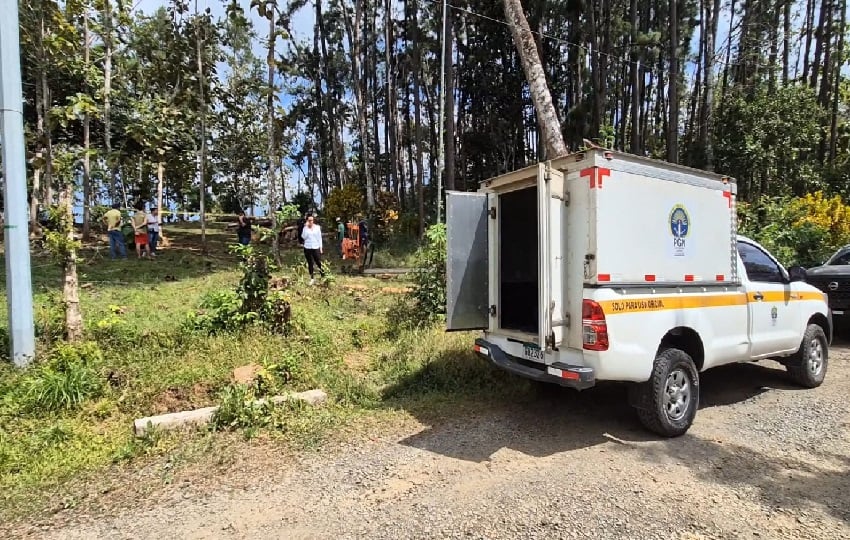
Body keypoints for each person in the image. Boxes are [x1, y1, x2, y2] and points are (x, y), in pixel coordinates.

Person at [301, 214, 325, 285]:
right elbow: (303, 237)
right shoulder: (305, 228)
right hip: (307, 247)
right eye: (309, 220)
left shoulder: (317, 227)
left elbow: (319, 238)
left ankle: (323, 275)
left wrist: (321, 247)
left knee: (319, 262)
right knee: (310, 263)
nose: (310, 222)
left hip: (316, 247)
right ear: (307, 221)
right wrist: (305, 227)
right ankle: (312, 278)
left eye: (311, 220)